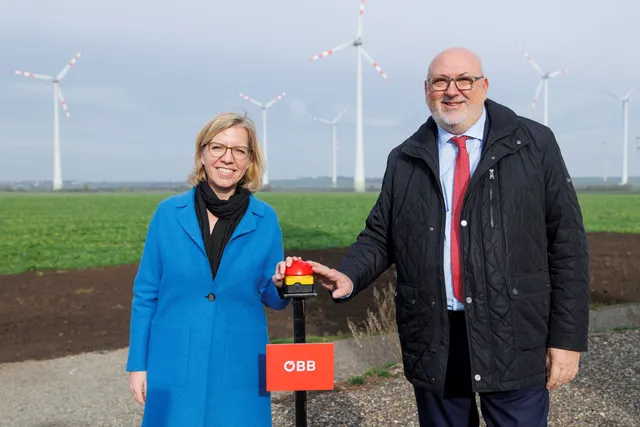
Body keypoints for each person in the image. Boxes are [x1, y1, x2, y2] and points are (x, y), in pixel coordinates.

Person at [307, 47, 590, 427]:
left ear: (484, 85)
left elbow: (568, 245)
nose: (452, 91)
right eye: (440, 81)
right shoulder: (405, 158)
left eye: (464, 80)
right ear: (427, 89)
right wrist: (349, 276)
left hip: (514, 331)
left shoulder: (533, 144)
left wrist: (567, 339)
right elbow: (380, 235)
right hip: (434, 333)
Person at [126, 112, 295, 427]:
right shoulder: (167, 214)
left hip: (241, 361)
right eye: (218, 147)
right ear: (202, 154)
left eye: (238, 150)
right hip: (173, 359)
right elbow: (146, 292)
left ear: (249, 160)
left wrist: (281, 283)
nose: (227, 158)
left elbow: (272, 296)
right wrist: (138, 365)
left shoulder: (265, 219)